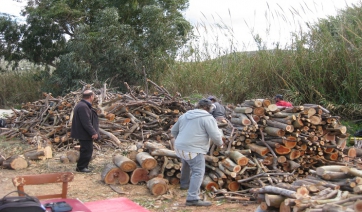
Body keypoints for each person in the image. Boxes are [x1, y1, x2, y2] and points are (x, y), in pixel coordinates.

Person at [171, 98, 224, 207]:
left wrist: (182, 141)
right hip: (193, 149)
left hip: (179, 147)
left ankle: (184, 184)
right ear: (208, 107)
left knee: (186, 161)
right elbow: (215, 135)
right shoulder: (207, 118)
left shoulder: (185, 115)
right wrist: (220, 144)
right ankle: (192, 198)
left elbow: (173, 131)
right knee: (198, 171)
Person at [71, 90, 100, 173]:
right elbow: (86, 122)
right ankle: (81, 167)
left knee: (87, 149)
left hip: (83, 132)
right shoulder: (83, 106)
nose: (93, 97)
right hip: (84, 133)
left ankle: (83, 166)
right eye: (93, 96)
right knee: (87, 150)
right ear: (91, 96)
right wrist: (93, 132)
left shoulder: (82, 105)